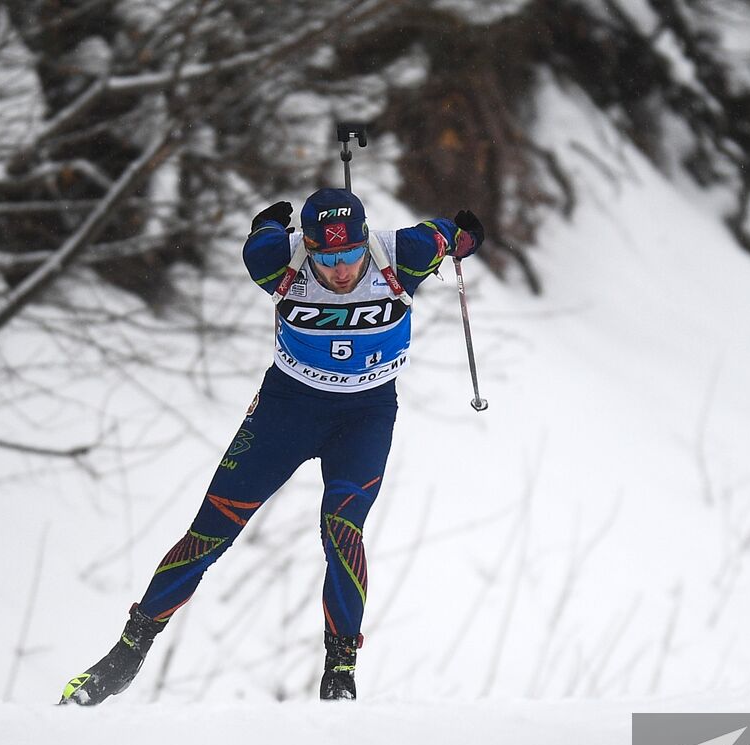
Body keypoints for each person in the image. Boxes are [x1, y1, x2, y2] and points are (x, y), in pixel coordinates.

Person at [59, 188, 485, 704]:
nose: (342, 270)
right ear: (305, 247)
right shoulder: (271, 260)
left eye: (351, 254)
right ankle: (124, 655)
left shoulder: (405, 254)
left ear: (364, 243)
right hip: (288, 410)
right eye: (327, 259)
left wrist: (465, 238)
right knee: (211, 531)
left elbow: (445, 235)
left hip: (365, 416)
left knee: (342, 530)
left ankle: (340, 673)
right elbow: (261, 235)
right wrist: (266, 222)